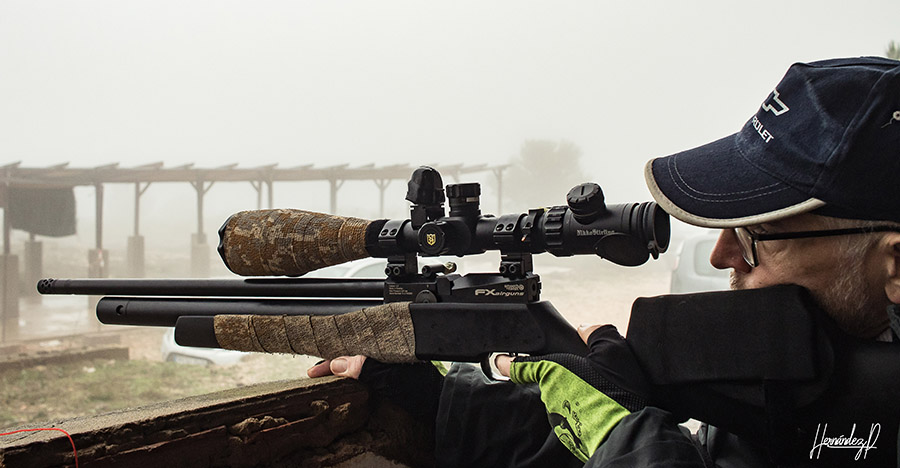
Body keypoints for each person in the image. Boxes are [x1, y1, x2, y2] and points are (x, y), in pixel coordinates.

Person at [308, 56, 900, 467]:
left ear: (895, 266)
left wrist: (618, 427)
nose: (721, 255)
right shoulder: (810, 379)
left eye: (756, 236)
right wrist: (449, 404)